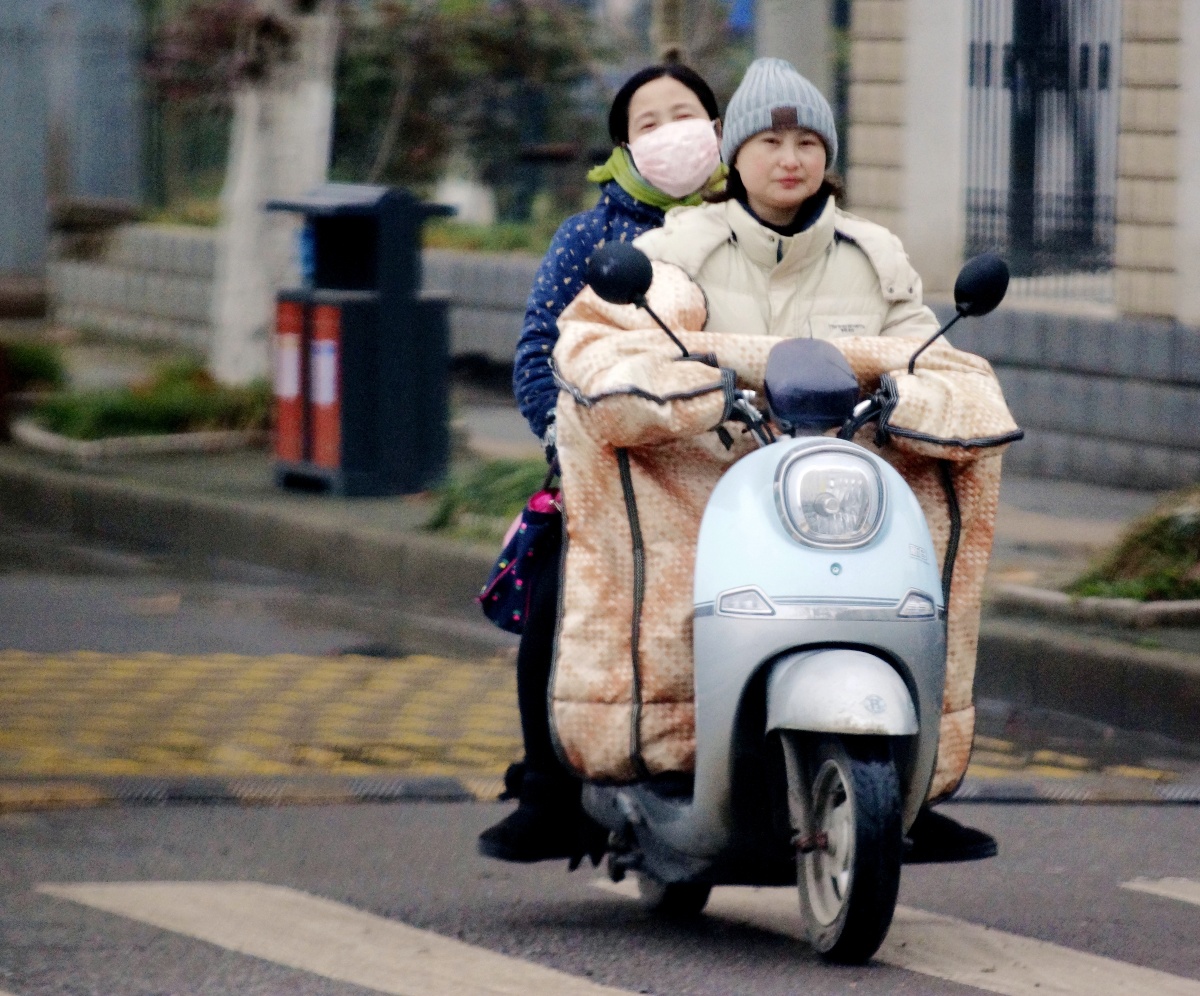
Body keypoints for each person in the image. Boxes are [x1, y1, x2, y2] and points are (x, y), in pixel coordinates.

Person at [546, 58, 1020, 862]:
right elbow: (608, 345)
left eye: (807, 142)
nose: (790, 158)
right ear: (734, 155)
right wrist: (690, 389)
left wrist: (914, 395)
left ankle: (909, 766)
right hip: (717, 486)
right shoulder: (676, 250)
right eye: (768, 141)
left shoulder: (874, 254)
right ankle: (657, 749)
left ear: (828, 156)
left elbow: (926, 355)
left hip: (841, 490)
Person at [478, 63, 725, 865]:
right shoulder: (589, 238)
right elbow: (537, 355)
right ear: (623, 145)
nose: (670, 133)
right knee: (558, 592)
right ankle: (549, 790)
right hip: (618, 467)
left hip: (740, 465)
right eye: (649, 123)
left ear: (719, 129)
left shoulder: (749, 226)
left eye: (685, 114)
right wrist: (572, 445)